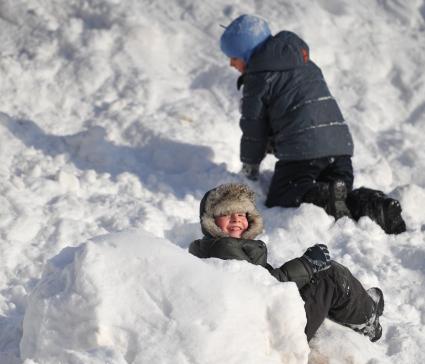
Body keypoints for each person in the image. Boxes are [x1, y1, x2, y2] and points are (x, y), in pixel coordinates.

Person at [219, 14, 406, 234]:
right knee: (343, 195)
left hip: (302, 152)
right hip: (340, 149)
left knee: (283, 196)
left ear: (247, 53)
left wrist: (250, 165)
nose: (231, 63)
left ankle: (322, 197)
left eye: (233, 57)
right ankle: (377, 205)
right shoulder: (306, 63)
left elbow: (254, 128)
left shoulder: (258, 77)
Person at [189, 183, 384, 342]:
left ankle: (360, 306)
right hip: (270, 332)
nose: (236, 219)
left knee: (317, 275)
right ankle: (368, 320)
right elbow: (261, 288)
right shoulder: (223, 249)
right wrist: (307, 264)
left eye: (241, 214)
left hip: (262, 320)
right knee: (328, 276)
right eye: (226, 213)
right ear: (210, 220)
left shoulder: (215, 247)